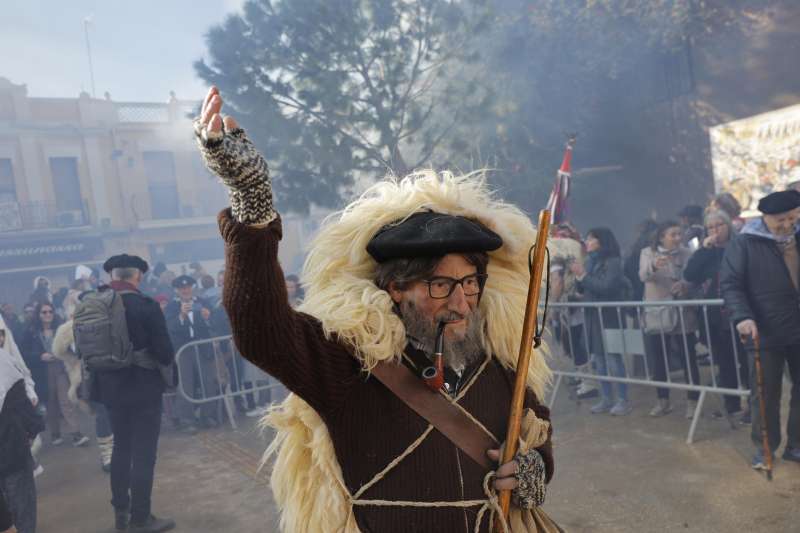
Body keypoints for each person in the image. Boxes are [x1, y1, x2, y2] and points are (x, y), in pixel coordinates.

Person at [194, 87, 558, 532]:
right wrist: (251, 200)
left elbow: (537, 435)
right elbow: (261, 332)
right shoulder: (349, 365)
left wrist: (534, 472)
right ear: (396, 289)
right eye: (441, 284)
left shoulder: (502, 355)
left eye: (470, 282)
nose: (462, 302)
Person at [86, 254, 176, 532]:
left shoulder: (91, 305)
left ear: (112, 277)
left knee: (121, 449)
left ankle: (121, 516)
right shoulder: (145, 305)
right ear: (137, 276)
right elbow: (164, 352)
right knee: (144, 454)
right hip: (144, 390)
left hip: (111, 391)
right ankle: (141, 517)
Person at [720, 190, 800, 470]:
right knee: (765, 394)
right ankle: (765, 449)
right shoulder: (745, 243)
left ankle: (796, 445)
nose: (787, 223)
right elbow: (730, 284)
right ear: (764, 217)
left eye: (793, 217)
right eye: (781, 219)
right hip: (763, 330)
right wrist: (742, 315)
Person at [684, 210, 748, 419]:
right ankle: (732, 406)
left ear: (729, 226)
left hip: (741, 313)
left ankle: (754, 405)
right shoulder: (706, 252)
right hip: (715, 317)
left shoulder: (741, 246)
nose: (715, 231)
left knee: (746, 361)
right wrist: (703, 250)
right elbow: (690, 275)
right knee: (725, 362)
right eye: (710, 227)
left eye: (719, 225)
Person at [640, 220, 701, 418]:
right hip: (659, 314)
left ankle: (693, 401)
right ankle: (662, 400)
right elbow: (642, 275)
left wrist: (685, 285)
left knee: (688, 358)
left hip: (683, 314)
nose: (677, 238)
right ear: (661, 237)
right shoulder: (647, 253)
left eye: (679, 234)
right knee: (659, 359)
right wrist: (654, 266)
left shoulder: (687, 253)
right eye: (672, 234)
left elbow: (694, 278)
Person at [570, 228, 631, 415]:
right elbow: (584, 288)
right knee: (600, 361)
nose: (586, 242)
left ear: (601, 241)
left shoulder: (613, 262)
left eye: (590, 239)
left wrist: (584, 276)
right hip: (593, 318)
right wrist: (579, 277)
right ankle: (606, 398)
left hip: (609, 316)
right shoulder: (589, 262)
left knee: (614, 360)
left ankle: (623, 400)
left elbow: (606, 287)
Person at [21, 302, 88, 447]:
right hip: (43, 371)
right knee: (50, 402)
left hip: (61, 367)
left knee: (66, 400)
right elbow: (23, 353)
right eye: (44, 312)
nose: (48, 314)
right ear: (38, 314)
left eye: (50, 311)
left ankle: (76, 433)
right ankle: (55, 433)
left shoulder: (61, 329)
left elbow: (73, 346)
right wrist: (40, 355)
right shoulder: (31, 331)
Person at [164, 275, 217, 431]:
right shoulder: (172, 307)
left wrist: (208, 318)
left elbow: (215, 322)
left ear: (192, 287)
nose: (185, 290)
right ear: (177, 290)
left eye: (187, 287)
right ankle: (187, 420)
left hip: (202, 347)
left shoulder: (202, 302)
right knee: (185, 384)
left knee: (208, 381)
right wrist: (181, 315)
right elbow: (169, 327)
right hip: (183, 350)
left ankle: (207, 415)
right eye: (182, 288)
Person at [0, 346, 44, 533]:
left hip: (10, 440)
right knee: (20, 499)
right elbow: (18, 394)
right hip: (10, 443)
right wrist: (32, 427)